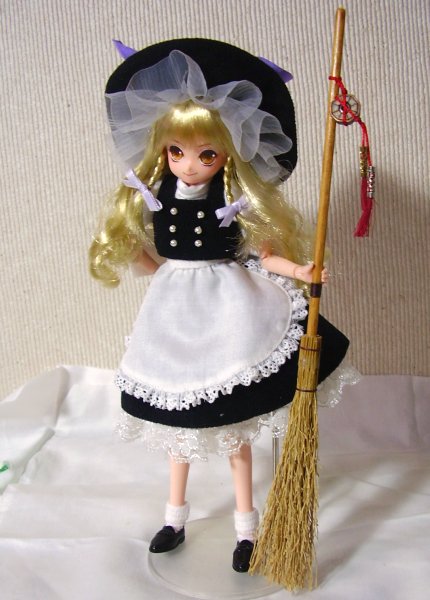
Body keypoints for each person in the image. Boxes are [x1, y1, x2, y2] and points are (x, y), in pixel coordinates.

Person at [89, 39, 354, 573]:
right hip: (174, 311)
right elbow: (149, 257)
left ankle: (246, 528)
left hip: (229, 309)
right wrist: (143, 263)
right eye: (176, 152)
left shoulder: (233, 203)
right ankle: (174, 517)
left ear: (228, 154)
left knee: (234, 429)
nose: (189, 165)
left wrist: (301, 272)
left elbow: (264, 254)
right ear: (163, 150)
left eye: (205, 154)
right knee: (179, 430)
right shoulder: (155, 199)